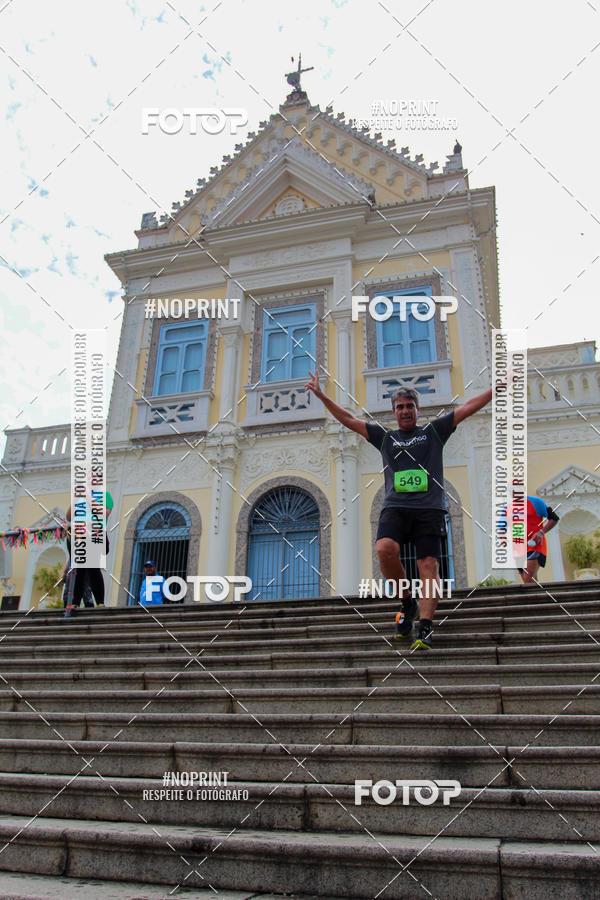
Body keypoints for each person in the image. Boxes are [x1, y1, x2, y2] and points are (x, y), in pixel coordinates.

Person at [305, 371, 492, 649]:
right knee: (384, 549)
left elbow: (466, 408)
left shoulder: (433, 432)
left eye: (410, 406)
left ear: (418, 409)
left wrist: (498, 388)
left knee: (428, 566)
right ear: (393, 411)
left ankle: (425, 627)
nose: (405, 411)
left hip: (429, 510)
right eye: (400, 407)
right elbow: (348, 419)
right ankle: (407, 601)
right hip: (396, 508)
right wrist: (321, 395)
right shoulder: (385, 438)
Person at [63, 489, 113, 616]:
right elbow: (68, 517)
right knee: (79, 569)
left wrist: (88, 497)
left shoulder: (105, 495)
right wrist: (75, 498)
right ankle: (75, 602)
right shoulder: (79, 498)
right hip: (79, 535)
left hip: (95, 533)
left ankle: (100, 602)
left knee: (93, 568)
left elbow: (104, 513)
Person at [499, 495, 559, 584]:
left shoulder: (536, 502)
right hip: (518, 549)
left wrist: (541, 532)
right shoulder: (507, 508)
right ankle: (540, 597)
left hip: (534, 545)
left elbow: (554, 518)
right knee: (529, 581)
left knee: (528, 578)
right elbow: (502, 528)